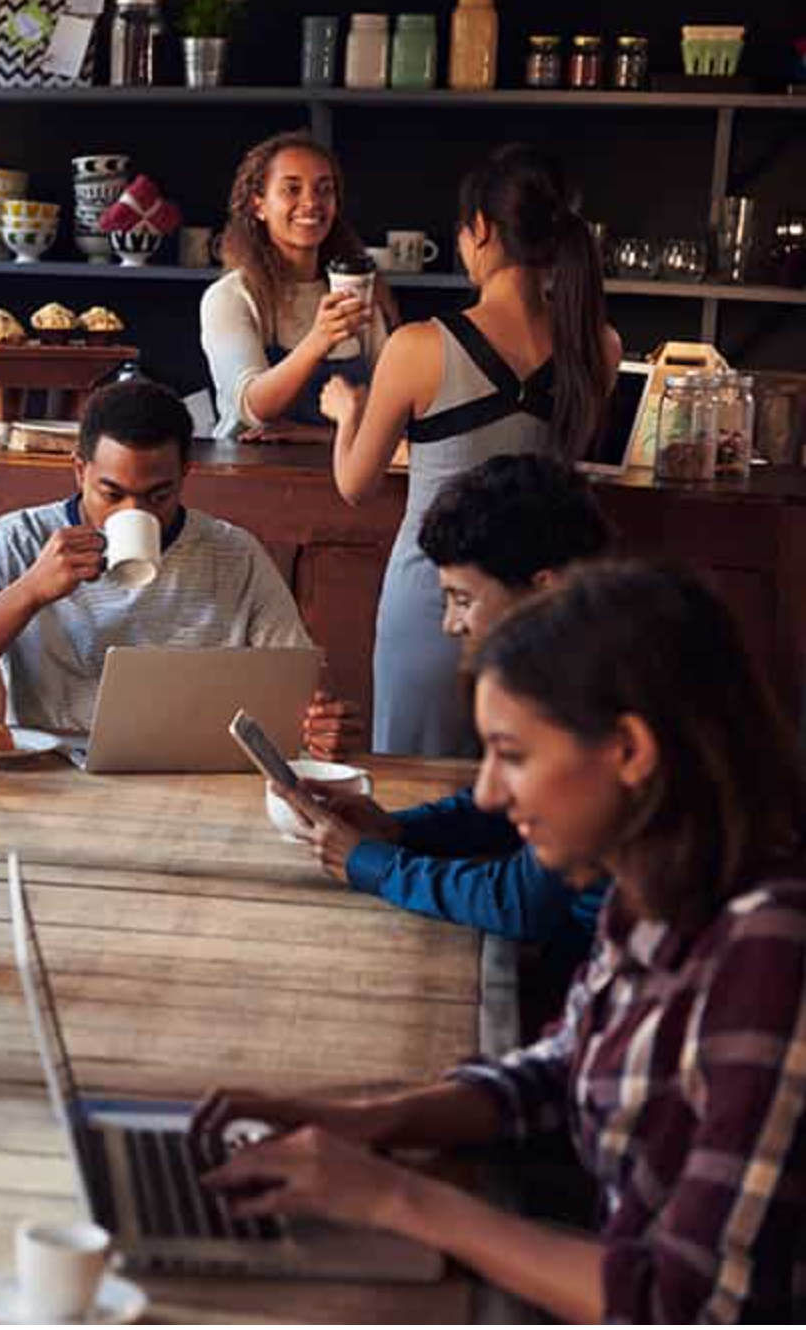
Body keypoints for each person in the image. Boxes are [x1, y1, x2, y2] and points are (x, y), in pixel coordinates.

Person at [201, 560, 806, 1323]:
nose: (487, 793)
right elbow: (562, 1069)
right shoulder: (649, 883)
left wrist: (393, 1196)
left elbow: (680, 1305)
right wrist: (368, 1119)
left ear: (628, 751)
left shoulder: (770, 953)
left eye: (511, 755)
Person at [322, 144, 621, 756]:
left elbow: (356, 485)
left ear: (480, 231)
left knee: (414, 792)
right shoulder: (600, 346)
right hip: (539, 604)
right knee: (521, 791)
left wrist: (348, 415)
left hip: (434, 600)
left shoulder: (418, 347)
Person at [0, 378, 360, 757]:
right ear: (79, 471)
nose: (137, 514)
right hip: (55, 785)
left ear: (185, 477)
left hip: (196, 786)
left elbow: (305, 693)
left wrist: (321, 724)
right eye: (111, 495)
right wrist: (28, 592)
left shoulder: (234, 555)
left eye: (159, 496)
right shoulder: (18, 543)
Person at [278, 455, 614, 969]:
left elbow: (521, 901)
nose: (451, 625)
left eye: (462, 599)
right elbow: (511, 814)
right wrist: (398, 831)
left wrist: (372, 864)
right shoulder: (587, 657)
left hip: (583, 976)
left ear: (546, 589)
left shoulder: (599, 698)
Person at [200, 132, 395, 444]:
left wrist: (313, 435)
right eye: (292, 189)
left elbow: (390, 407)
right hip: (246, 479)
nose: (311, 203)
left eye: (324, 190)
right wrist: (319, 339)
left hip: (344, 476)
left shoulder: (356, 290)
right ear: (258, 205)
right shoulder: (230, 297)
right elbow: (253, 407)